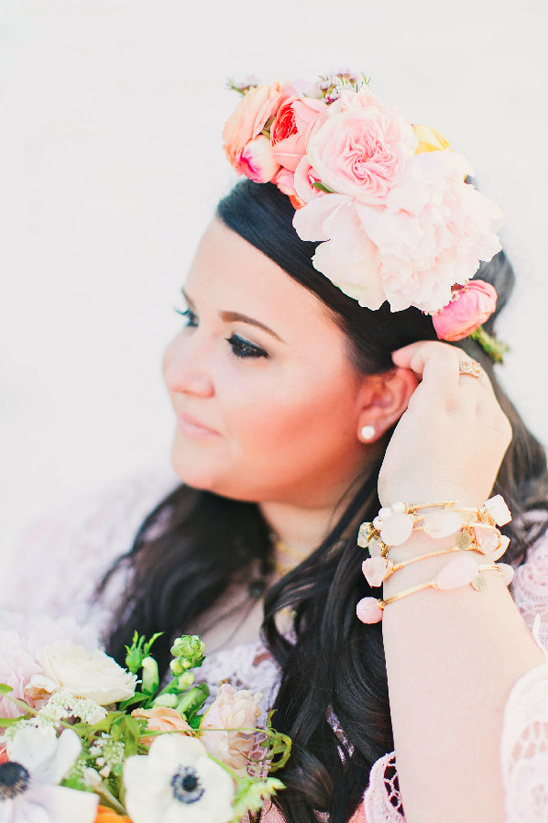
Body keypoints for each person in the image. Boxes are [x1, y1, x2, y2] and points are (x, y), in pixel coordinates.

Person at [4, 72, 548, 823]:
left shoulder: (525, 588)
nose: (181, 372)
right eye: (187, 316)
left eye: (242, 344)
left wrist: (433, 521)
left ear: (386, 392)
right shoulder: (112, 534)